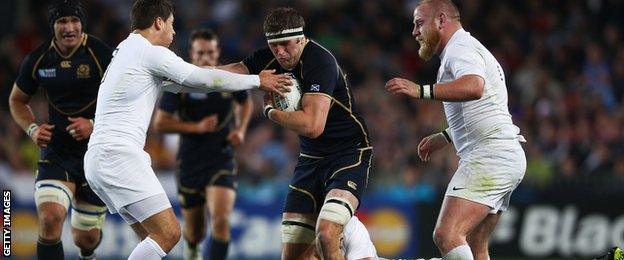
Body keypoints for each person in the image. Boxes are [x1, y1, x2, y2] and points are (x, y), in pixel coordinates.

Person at [83, 0, 291, 259]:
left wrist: (243, 74)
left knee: (150, 239)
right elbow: (197, 77)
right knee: (169, 233)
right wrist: (257, 81)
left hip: (99, 157)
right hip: (118, 155)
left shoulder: (127, 50)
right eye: (171, 24)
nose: (173, 32)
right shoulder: (149, 51)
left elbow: (191, 83)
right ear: (158, 22)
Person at [218, 7, 373, 260]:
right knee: (293, 256)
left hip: (348, 155)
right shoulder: (270, 59)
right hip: (310, 160)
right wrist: (186, 75)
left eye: (285, 44)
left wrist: (270, 111)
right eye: (273, 45)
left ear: (301, 39)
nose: (279, 52)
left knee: (326, 232)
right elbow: (233, 71)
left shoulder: (319, 61)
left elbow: (313, 126)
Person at [385, 1, 526, 259]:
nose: (414, 32)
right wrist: (446, 136)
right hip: (504, 153)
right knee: (473, 246)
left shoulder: (459, 48)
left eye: (419, 23)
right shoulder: (467, 48)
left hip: (490, 156)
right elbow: (486, 107)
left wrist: (420, 90)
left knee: (446, 234)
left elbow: (474, 87)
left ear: (441, 20)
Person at [8, 1, 111, 259]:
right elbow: (16, 100)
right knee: (51, 219)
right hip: (57, 153)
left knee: (86, 239)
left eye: (74, 21)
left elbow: (127, 99)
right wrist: (31, 128)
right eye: (62, 22)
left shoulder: (100, 54)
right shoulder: (38, 59)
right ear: (52, 26)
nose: (69, 27)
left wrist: (94, 124)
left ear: (82, 24)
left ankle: (88, 253)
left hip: (95, 156)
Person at [153, 28, 253, 260]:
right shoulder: (180, 81)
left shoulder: (228, 79)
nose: (205, 58)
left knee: (221, 220)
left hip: (221, 158)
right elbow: (161, 124)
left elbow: (245, 103)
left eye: (210, 52)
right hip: (189, 162)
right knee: (196, 232)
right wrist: (195, 128)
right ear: (192, 53)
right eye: (200, 53)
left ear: (217, 53)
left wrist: (240, 129)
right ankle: (192, 249)